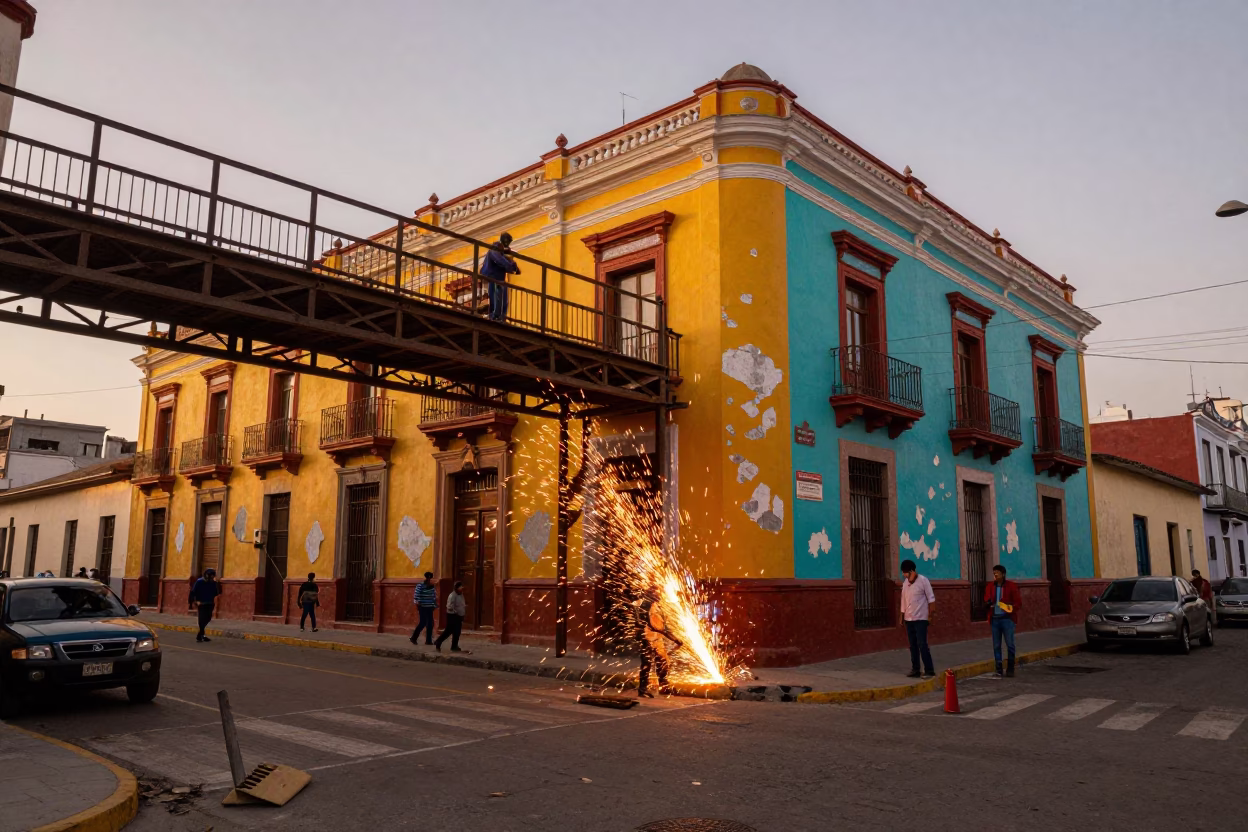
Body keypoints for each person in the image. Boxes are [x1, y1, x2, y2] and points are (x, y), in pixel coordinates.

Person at [900, 558, 936, 678]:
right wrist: (902, 616)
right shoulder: (905, 583)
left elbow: (931, 599)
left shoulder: (923, 581)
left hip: (921, 619)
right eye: (903, 572)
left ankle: (929, 670)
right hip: (909, 619)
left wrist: (930, 616)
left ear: (912, 571)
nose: (904, 575)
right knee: (912, 645)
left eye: (905, 572)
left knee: (922, 644)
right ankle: (915, 669)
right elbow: (903, 601)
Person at [985, 564, 1022, 678]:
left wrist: (1009, 608)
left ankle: (1010, 668)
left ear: (1003, 574)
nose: (995, 575)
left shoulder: (1011, 586)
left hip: (1007, 619)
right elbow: (986, 598)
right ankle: (999, 669)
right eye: (994, 573)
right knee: (996, 645)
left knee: (1010, 644)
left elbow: (1018, 603)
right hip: (995, 619)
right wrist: (988, 602)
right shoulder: (990, 586)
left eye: (997, 573)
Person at [636, 590, 673, 698]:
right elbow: (655, 626)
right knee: (646, 664)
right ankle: (642, 690)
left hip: (658, 640)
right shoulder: (646, 607)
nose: (659, 596)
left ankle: (663, 686)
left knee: (663, 662)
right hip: (647, 639)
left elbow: (663, 625)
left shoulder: (658, 606)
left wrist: (671, 634)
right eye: (656, 594)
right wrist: (674, 639)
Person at [482, 232, 520, 322]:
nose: (508, 244)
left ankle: (500, 316)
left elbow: (505, 261)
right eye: (507, 241)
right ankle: (494, 316)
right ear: (504, 240)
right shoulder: (495, 248)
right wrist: (511, 266)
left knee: (502, 296)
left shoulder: (501, 251)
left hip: (498, 278)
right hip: (492, 277)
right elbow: (500, 260)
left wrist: (514, 267)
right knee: (496, 296)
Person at [188, 568, 222, 643]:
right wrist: (195, 601)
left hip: (210, 603)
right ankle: (201, 636)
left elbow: (217, 592)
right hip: (202, 603)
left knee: (208, 618)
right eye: (210, 576)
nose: (211, 578)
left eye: (213, 576)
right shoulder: (199, 582)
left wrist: (218, 585)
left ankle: (200, 634)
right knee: (202, 619)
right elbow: (193, 592)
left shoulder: (213, 583)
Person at [435, 581, 466, 653]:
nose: (461, 589)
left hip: (459, 616)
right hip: (452, 615)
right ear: (457, 588)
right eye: (460, 587)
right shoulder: (452, 595)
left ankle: (454, 646)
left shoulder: (461, 595)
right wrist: (456, 612)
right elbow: (449, 607)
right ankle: (438, 642)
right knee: (448, 631)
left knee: (457, 632)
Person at [410, 572, 438, 645]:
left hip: (430, 607)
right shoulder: (420, 585)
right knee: (423, 623)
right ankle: (414, 637)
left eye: (430, 578)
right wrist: (418, 604)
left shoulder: (432, 586)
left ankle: (428, 640)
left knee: (430, 624)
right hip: (422, 606)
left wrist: (434, 604)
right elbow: (416, 596)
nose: (429, 579)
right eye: (428, 577)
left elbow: (434, 596)